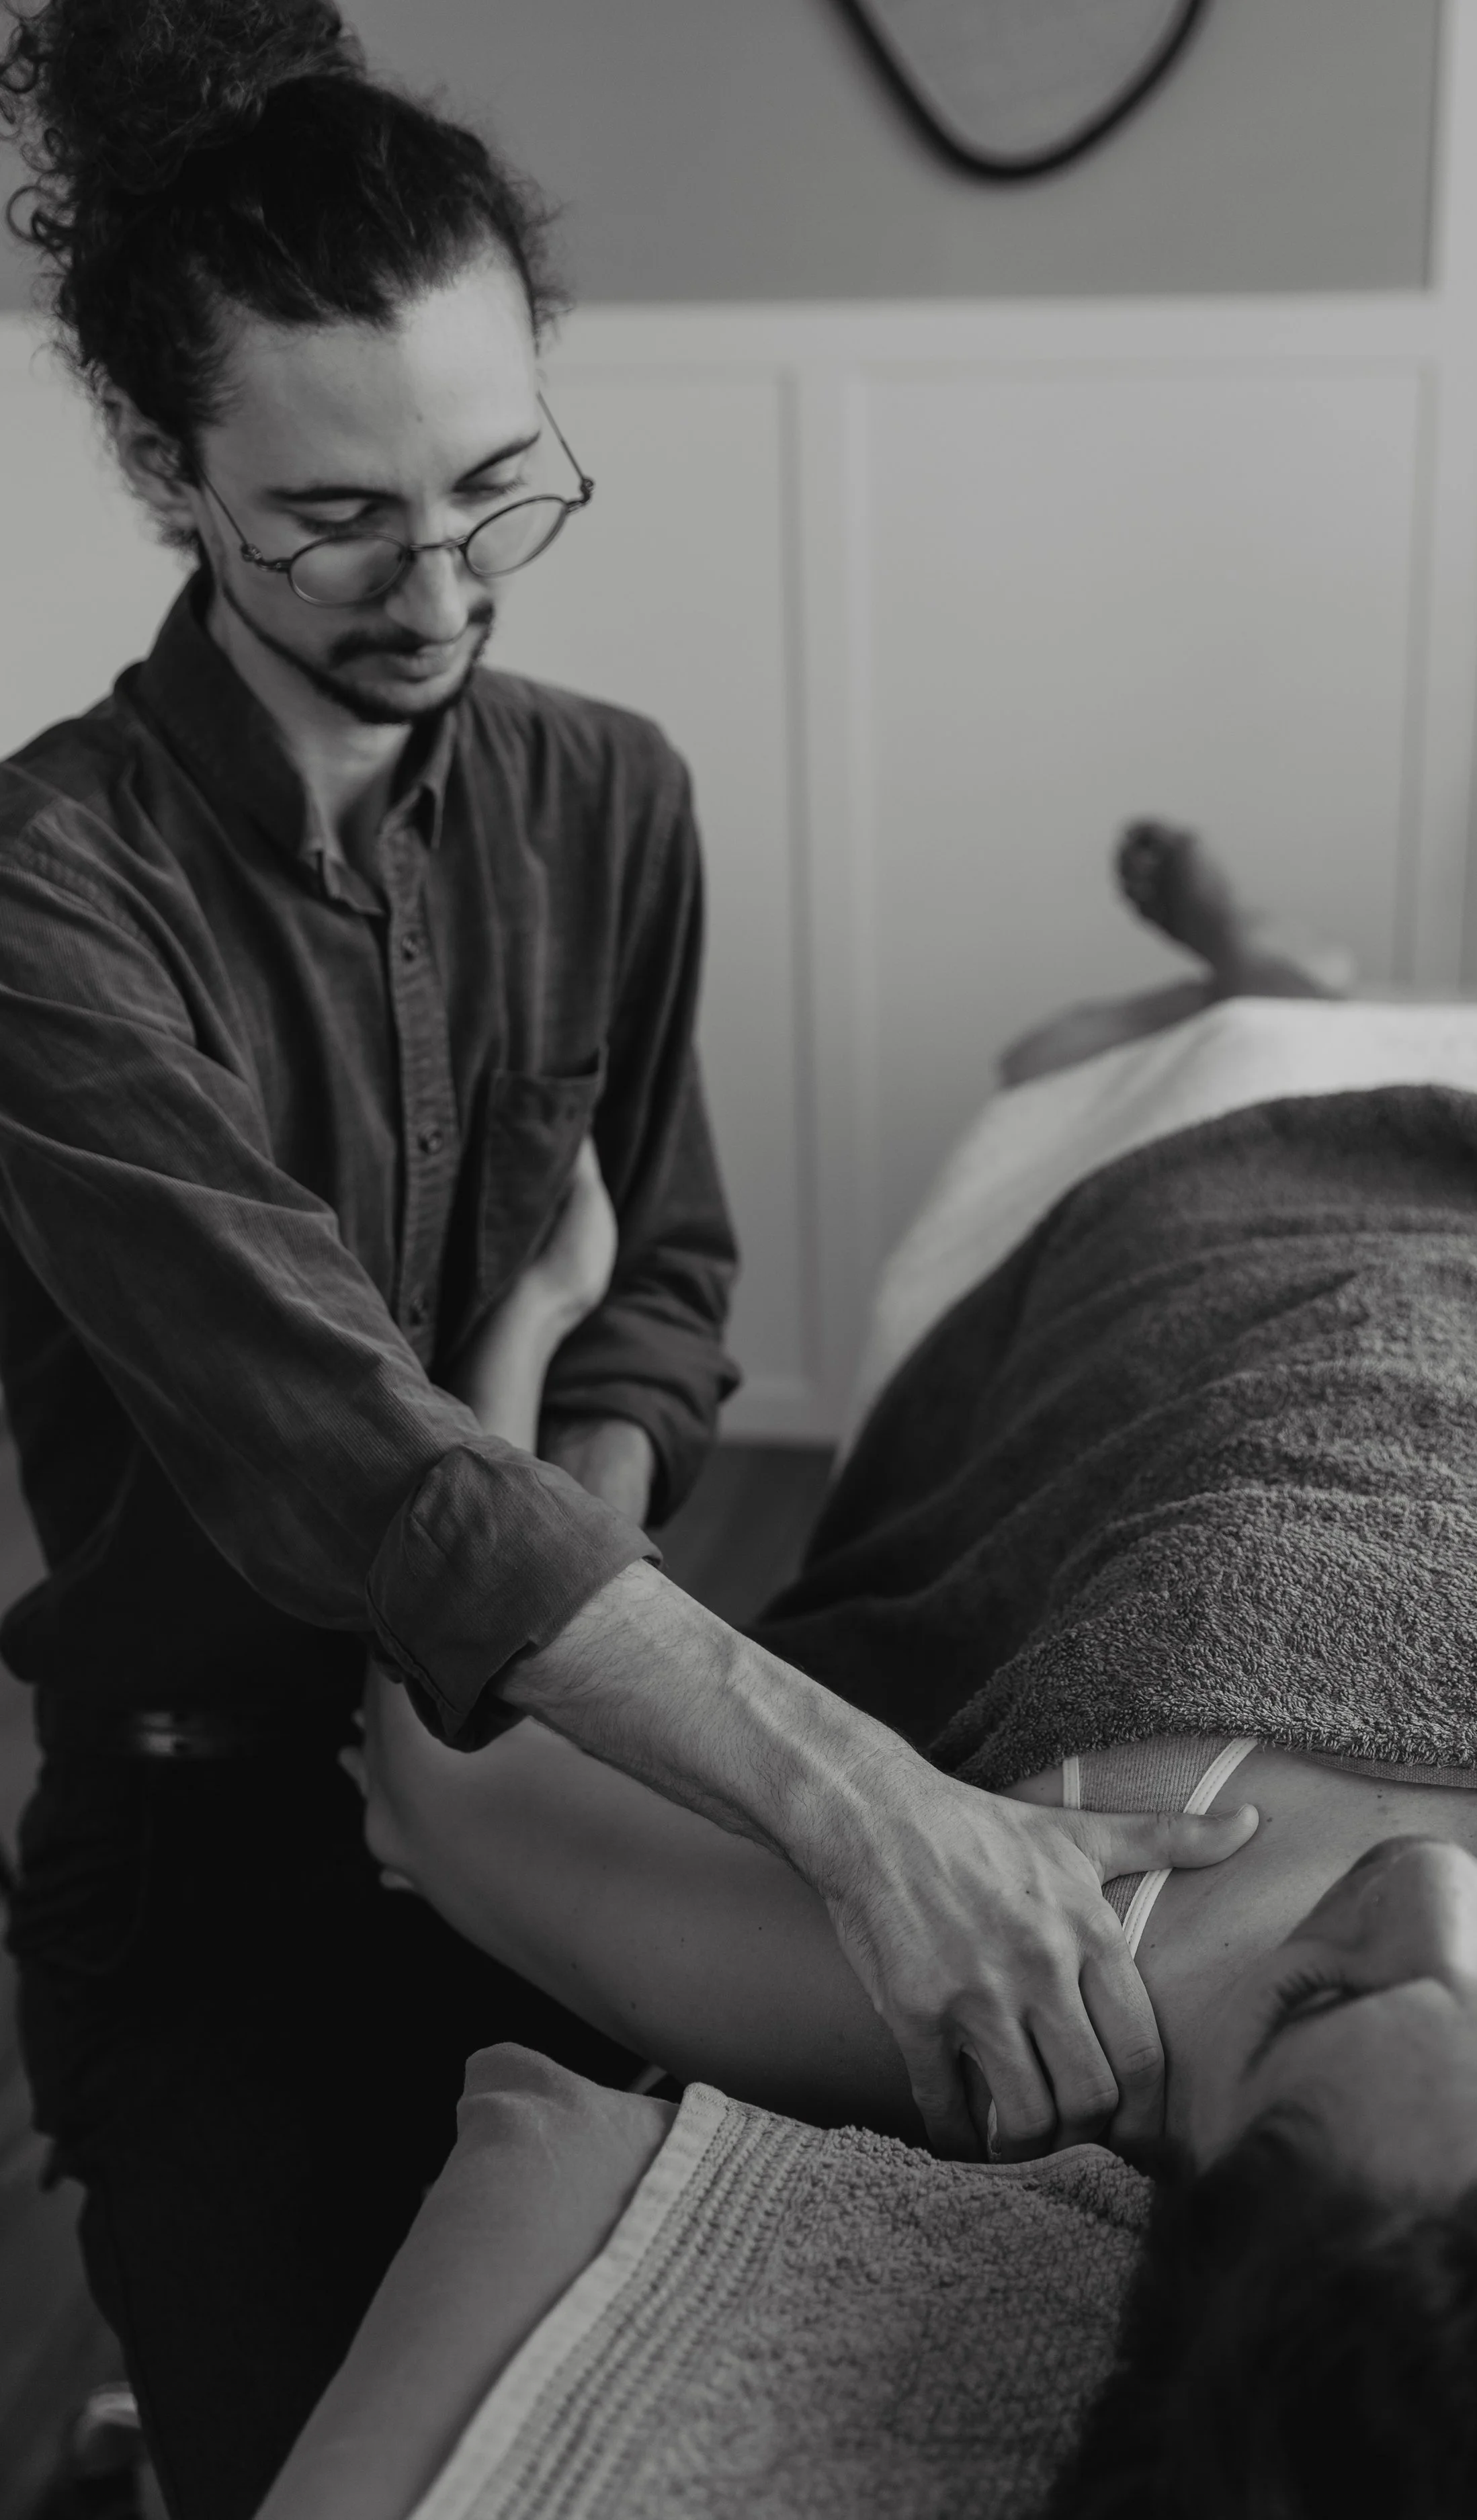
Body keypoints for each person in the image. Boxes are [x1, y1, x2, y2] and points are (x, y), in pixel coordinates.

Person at [0, 8, 1232, 2512]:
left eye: (496, 485)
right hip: (208, 1845)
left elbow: (661, 1270)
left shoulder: (612, 798)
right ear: (166, 469)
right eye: (335, 520)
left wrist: (565, 1500)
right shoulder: (50, 903)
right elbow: (353, 1459)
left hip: (580, 1768)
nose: (441, 583)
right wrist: (867, 1808)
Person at [355, 825, 1477, 2513]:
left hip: (1206, 1239)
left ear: (1172, 2175)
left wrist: (530, 1324)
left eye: (1323, 1999)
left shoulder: (1025, 1992)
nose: (1429, 1888)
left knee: (1099, 1054)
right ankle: (1316, 976)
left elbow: (442, 1778)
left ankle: (1276, 987)